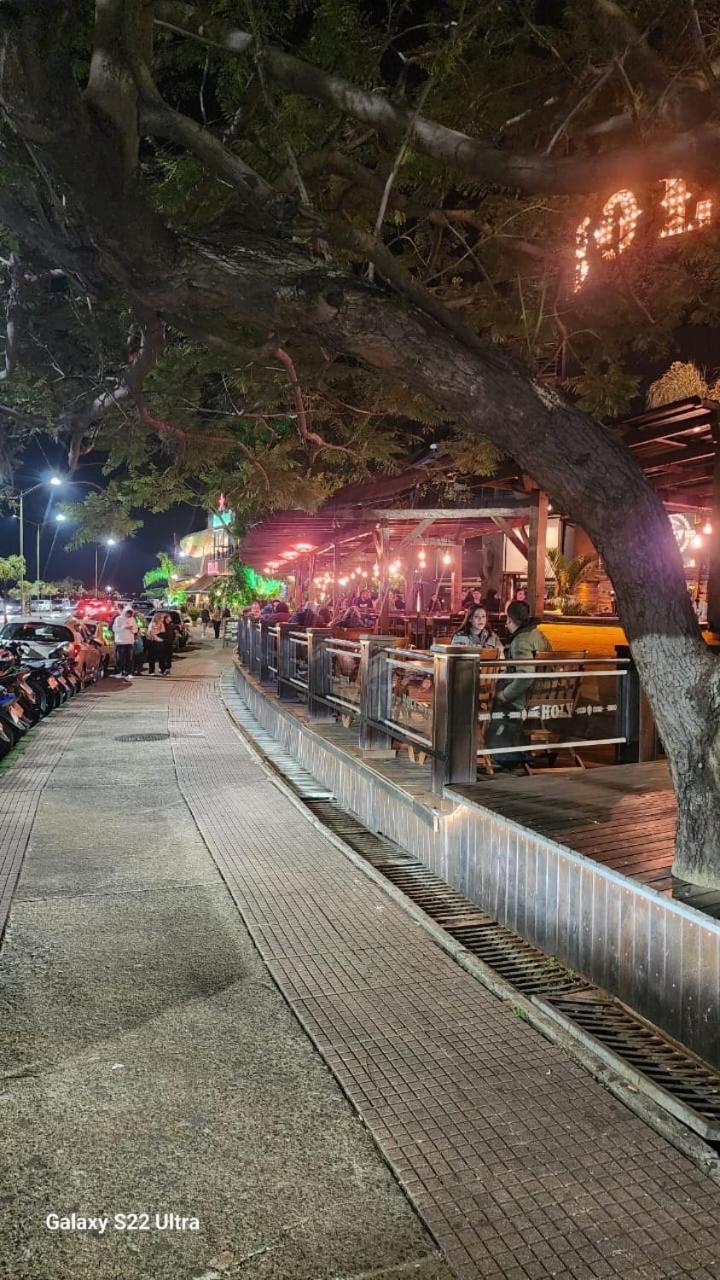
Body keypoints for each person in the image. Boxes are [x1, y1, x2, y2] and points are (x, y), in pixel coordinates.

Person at [490, 600, 552, 770]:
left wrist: (504, 695)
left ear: (510, 619)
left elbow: (525, 676)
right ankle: (522, 752)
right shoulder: (538, 634)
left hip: (525, 697)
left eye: (507, 620)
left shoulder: (520, 641)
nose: (506, 624)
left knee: (492, 702)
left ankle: (505, 755)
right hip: (544, 692)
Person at [112, 606, 138, 679]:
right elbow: (114, 629)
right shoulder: (118, 619)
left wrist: (132, 630)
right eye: (128, 613)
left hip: (129, 642)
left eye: (130, 614)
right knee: (120, 658)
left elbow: (136, 629)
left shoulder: (132, 619)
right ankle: (119, 672)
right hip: (120, 642)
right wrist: (123, 627)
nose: (128, 615)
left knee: (129, 658)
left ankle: (128, 672)